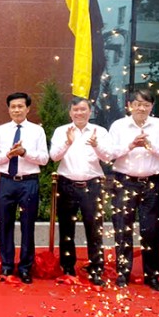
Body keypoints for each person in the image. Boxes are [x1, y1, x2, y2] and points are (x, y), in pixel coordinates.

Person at [108, 89, 159, 291]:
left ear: (151, 107)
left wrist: (150, 145)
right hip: (124, 181)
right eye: (137, 104)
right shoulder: (119, 125)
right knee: (122, 228)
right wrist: (130, 145)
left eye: (146, 105)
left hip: (152, 182)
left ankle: (152, 275)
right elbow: (109, 153)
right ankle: (123, 273)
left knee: (151, 231)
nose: (141, 108)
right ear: (129, 105)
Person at [49, 97, 112, 286]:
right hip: (66, 184)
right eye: (75, 110)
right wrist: (67, 143)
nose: (79, 113)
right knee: (66, 229)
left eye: (83, 109)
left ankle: (96, 269)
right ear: (70, 112)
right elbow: (53, 157)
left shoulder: (99, 131)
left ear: (90, 112)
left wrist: (96, 145)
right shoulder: (62, 131)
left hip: (92, 185)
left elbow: (108, 157)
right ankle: (68, 267)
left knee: (94, 229)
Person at [0, 92, 49, 284]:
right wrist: (8, 155)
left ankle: (25, 267)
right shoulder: (0, 131)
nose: (16, 110)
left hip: (28, 182)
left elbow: (44, 159)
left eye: (20, 106)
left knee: (27, 225)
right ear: (8, 109)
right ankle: (6, 265)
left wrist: (24, 153)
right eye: (13, 106)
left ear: (28, 108)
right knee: (5, 224)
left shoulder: (37, 131)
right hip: (6, 181)